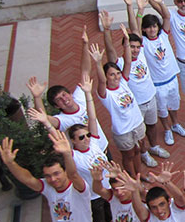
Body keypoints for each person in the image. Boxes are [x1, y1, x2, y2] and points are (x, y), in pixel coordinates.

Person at [28, 75, 113, 222]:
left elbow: (92, 116)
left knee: (112, 215)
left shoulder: (94, 143)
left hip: (107, 188)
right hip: (93, 197)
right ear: (72, 141)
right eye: (81, 137)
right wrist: (39, 102)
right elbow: (49, 125)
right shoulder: (73, 155)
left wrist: (88, 94)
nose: (86, 138)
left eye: (87, 135)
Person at [102, 13, 170, 167]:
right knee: (141, 134)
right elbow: (110, 51)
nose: (135, 50)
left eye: (137, 47)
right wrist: (107, 30)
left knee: (152, 125)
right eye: (131, 47)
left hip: (150, 97)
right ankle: (144, 153)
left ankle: (154, 147)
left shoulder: (142, 55)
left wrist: (136, 10)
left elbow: (136, 29)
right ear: (126, 47)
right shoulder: (120, 63)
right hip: (136, 105)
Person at [29, 26, 109, 153]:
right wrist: (37, 97)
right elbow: (44, 117)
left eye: (64, 95)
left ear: (70, 93)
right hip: (88, 157)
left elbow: (85, 71)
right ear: (56, 106)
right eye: (59, 100)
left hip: (103, 146)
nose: (64, 99)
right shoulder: (63, 120)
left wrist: (85, 44)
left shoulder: (80, 96)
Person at [129, 0, 185, 146]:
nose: (152, 29)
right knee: (162, 109)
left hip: (171, 78)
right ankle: (167, 128)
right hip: (157, 84)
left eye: (154, 26)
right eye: (148, 27)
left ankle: (175, 124)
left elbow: (167, 16)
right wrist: (140, 9)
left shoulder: (163, 35)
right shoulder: (143, 43)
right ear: (144, 30)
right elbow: (134, 28)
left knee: (174, 104)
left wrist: (159, 1)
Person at [89, 41, 145, 179]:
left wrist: (126, 43)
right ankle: (131, 177)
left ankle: (139, 175)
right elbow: (101, 81)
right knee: (128, 155)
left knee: (138, 150)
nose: (116, 77)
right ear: (106, 76)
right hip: (123, 130)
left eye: (118, 73)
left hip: (137, 124)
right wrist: (97, 63)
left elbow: (127, 63)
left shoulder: (123, 83)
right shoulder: (105, 94)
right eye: (112, 75)